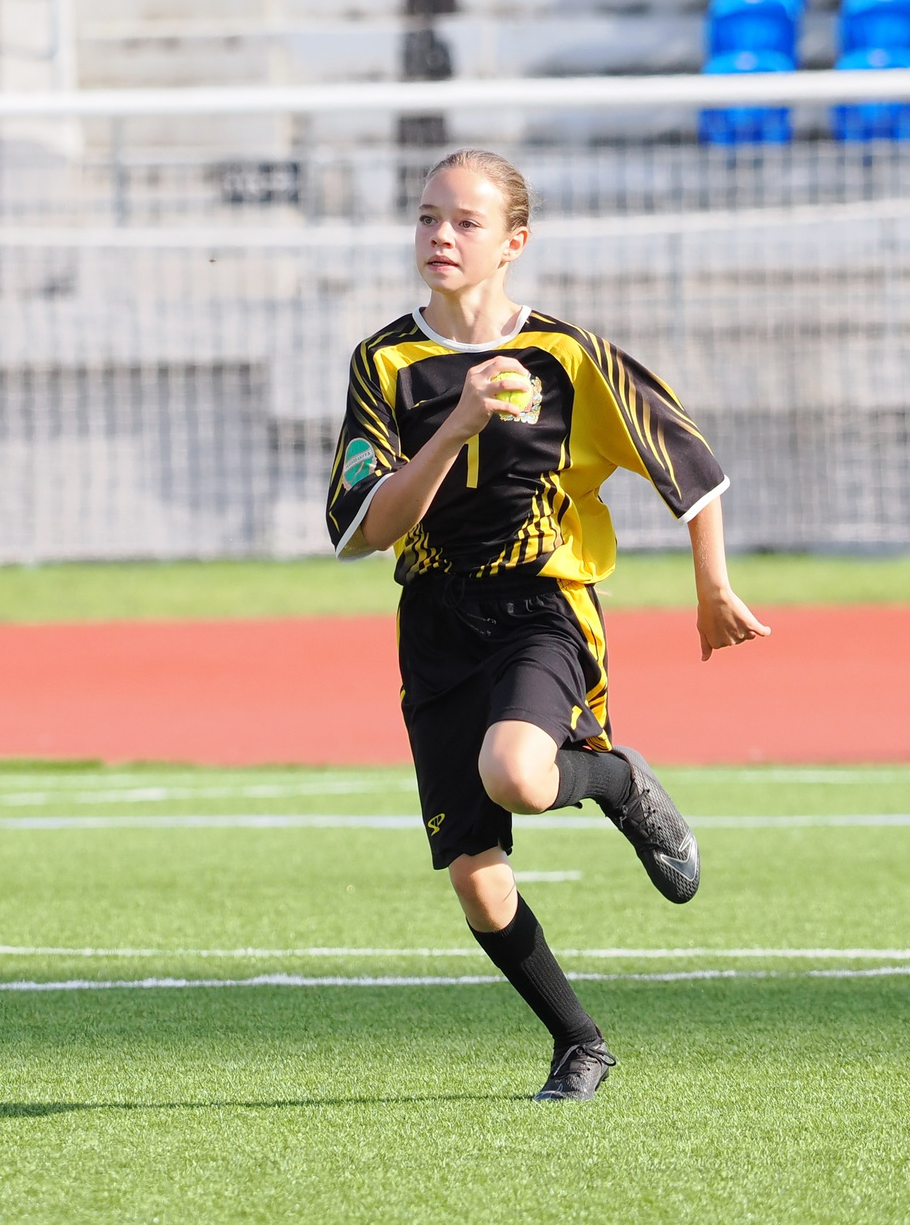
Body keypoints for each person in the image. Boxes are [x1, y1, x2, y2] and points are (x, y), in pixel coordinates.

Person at [324, 147, 772, 1102]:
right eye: (427, 216)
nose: (441, 235)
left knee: (520, 773)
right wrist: (456, 423)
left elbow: (688, 465)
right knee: (476, 876)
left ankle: (616, 776)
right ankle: (580, 1043)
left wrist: (712, 586)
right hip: (435, 621)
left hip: (542, 604)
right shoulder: (384, 363)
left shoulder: (566, 354)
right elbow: (366, 529)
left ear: (514, 242)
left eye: (466, 221)